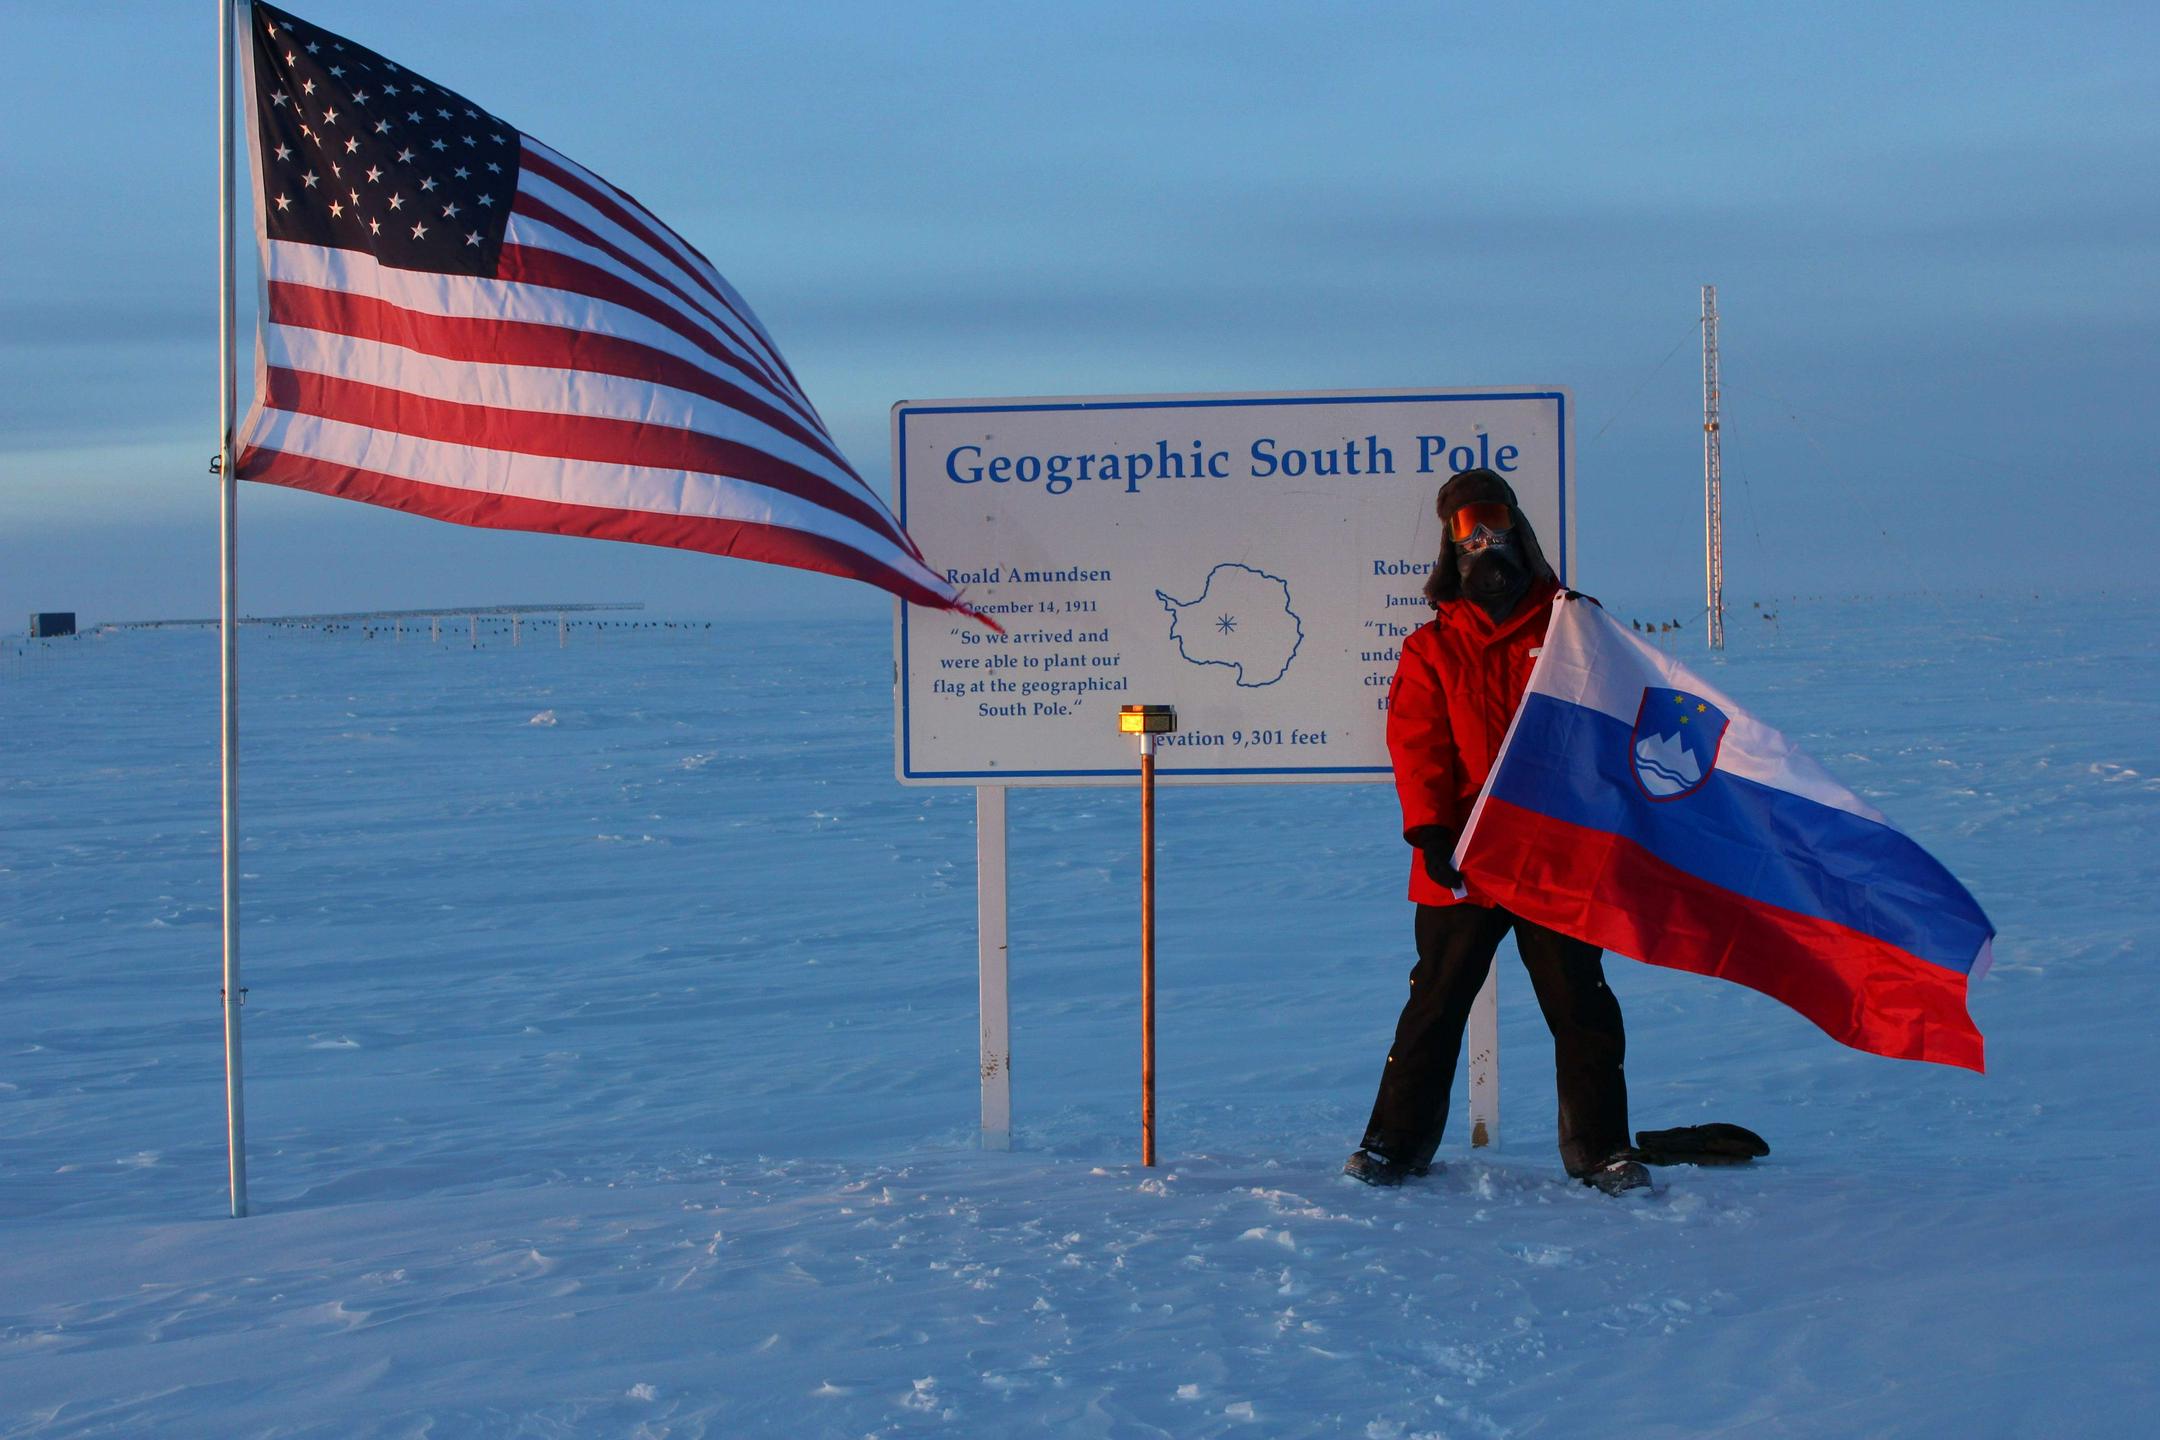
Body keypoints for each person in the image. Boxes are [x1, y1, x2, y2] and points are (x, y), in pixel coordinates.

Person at [1344, 468, 1650, 1196]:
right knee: (1434, 1005)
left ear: (1520, 532)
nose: (1486, 545)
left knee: (1581, 1006)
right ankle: (1394, 1146)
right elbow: (1417, 744)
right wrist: (1430, 832)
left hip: (1556, 857)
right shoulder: (1431, 648)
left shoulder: (1575, 628)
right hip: (1464, 859)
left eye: (1496, 528)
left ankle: (1602, 1150)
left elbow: (1616, 722)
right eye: (1468, 534)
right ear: (1451, 549)